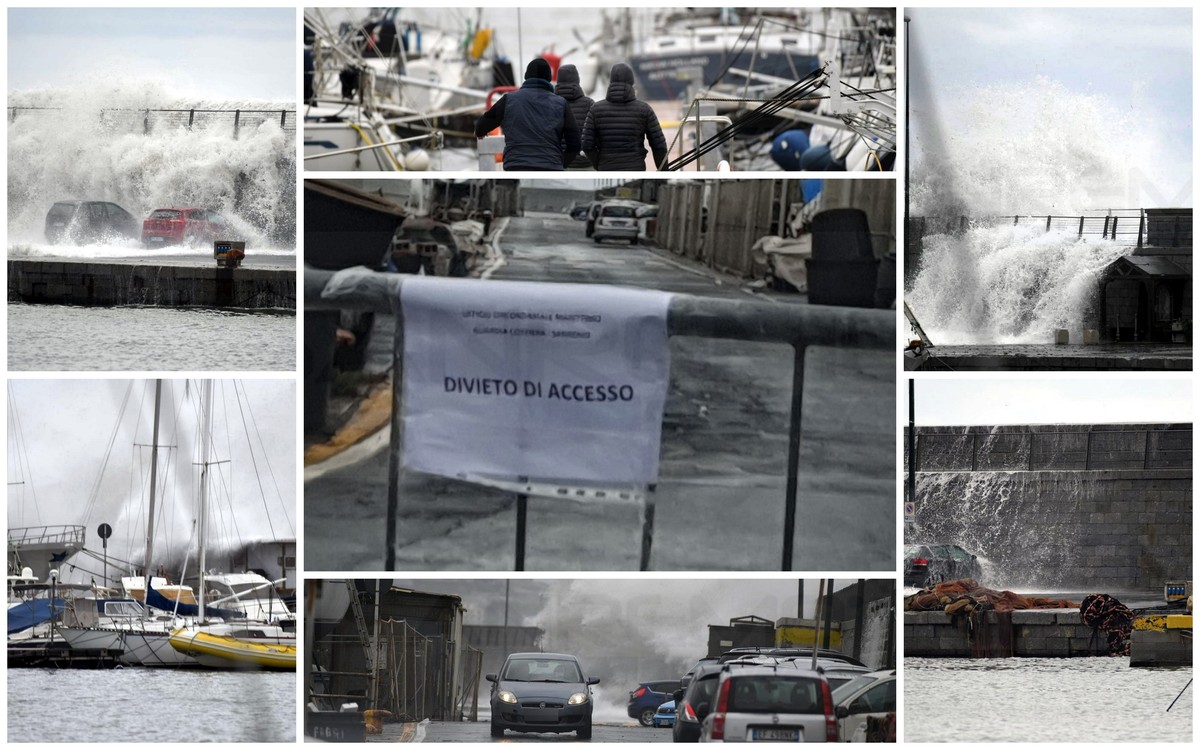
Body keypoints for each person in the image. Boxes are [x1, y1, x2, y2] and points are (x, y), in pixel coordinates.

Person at [474, 57, 580, 171]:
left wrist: (481, 131)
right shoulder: (561, 104)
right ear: (549, 78)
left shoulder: (509, 100)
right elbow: (575, 143)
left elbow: (481, 127)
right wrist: (560, 163)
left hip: (516, 166)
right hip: (550, 166)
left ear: (526, 76)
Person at [582, 63, 668, 171]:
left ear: (611, 82)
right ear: (632, 83)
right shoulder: (644, 109)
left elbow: (586, 144)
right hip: (635, 168)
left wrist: (599, 164)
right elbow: (659, 145)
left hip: (606, 167)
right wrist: (664, 170)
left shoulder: (595, 109)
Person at [554, 64, 594, 170]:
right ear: (577, 80)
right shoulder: (589, 104)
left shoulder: (550, 104)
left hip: (558, 163)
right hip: (586, 163)